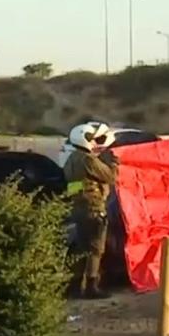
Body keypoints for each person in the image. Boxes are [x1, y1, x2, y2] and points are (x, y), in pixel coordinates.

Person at [63, 122, 119, 300]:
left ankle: (74, 286)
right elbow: (110, 177)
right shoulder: (88, 160)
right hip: (93, 209)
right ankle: (91, 287)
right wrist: (113, 163)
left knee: (81, 249)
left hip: (79, 208)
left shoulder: (71, 159)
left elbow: (74, 186)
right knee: (95, 249)